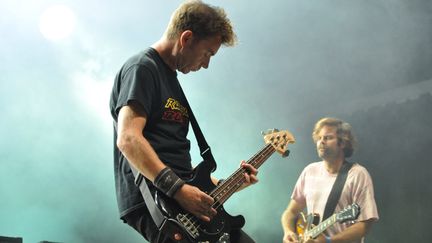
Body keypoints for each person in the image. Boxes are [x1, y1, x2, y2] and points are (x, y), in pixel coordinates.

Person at [109, 1, 258, 242]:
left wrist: (230, 183)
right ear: (186, 38)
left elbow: (179, 163)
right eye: (208, 53)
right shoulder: (142, 68)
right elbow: (128, 139)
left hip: (178, 196)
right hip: (159, 201)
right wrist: (177, 190)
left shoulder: (171, 80)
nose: (207, 63)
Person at [281, 117, 379, 243]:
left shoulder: (357, 174)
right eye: (319, 138)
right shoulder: (310, 171)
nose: (321, 142)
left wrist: (329, 241)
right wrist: (288, 232)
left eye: (327, 138)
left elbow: (366, 223)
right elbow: (291, 212)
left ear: (343, 143)